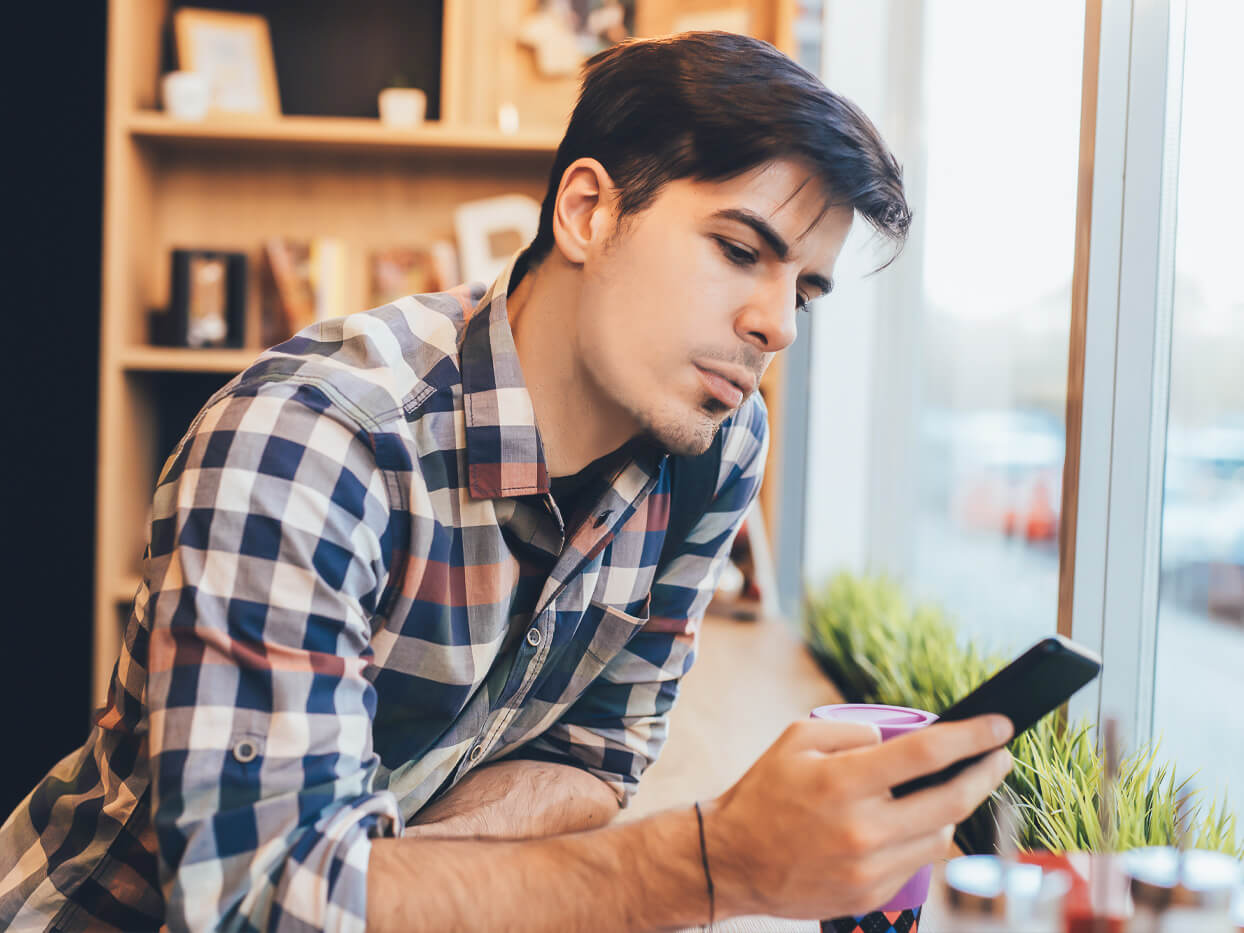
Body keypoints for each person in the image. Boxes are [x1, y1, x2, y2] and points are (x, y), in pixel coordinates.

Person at [0, 31, 1013, 932]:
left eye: (804, 291)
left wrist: (379, 882)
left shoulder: (716, 447)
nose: (776, 325)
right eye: (739, 250)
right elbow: (261, 908)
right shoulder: (314, 444)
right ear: (585, 212)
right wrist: (708, 865)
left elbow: (591, 755)